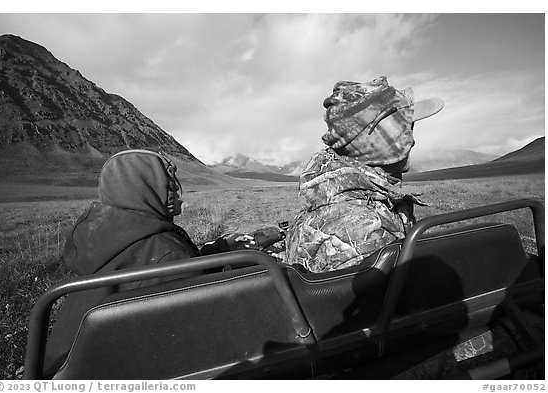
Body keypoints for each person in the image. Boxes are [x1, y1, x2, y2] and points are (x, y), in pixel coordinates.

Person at [44, 149, 281, 374]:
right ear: (142, 189)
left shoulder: (108, 236)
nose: (177, 194)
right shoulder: (164, 249)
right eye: (167, 186)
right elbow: (207, 319)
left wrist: (218, 249)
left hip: (66, 368)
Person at [284, 76, 444, 273]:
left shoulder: (335, 190)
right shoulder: (366, 233)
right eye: (406, 132)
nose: (413, 143)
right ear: (385, 145)